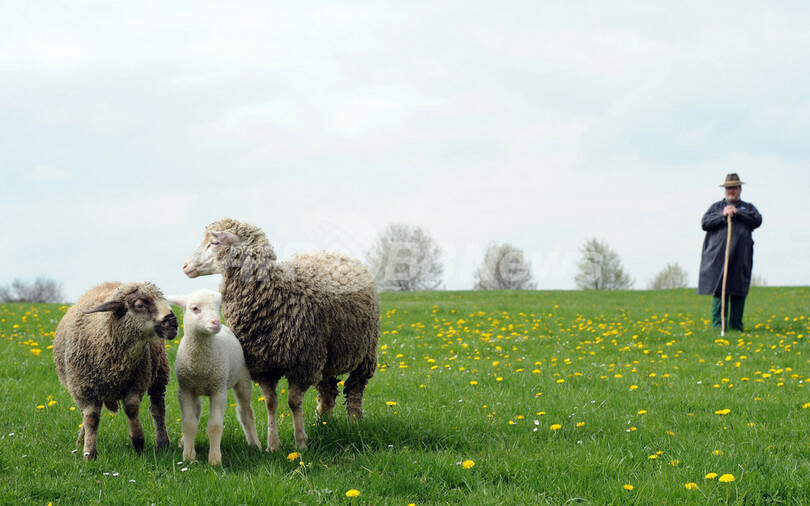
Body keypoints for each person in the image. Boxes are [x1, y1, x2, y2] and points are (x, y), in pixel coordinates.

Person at [698, 173, 762, 332]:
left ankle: (736, 328)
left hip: (741, 256)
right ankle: (719, 327)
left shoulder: (748, 208)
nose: (731, 191)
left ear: (740, 189)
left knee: (739, 289)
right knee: (720, 290)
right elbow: (704, 223)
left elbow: (757, 220)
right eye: (728, 188)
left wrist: (738, 213)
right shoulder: (716, 208)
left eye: (734, 188)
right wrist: (723, 215)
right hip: (719, 257)